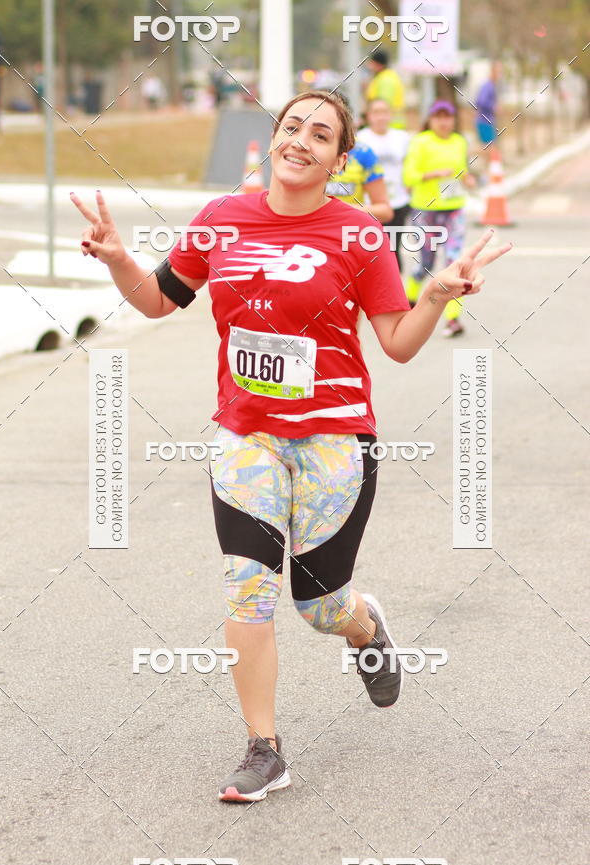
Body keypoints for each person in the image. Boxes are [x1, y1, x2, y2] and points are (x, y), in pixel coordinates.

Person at [71, 90, 511, 803]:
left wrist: (434, 296)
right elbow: (159, 301)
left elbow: (396, 345)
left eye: (321, 134)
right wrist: (120, 258)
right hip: (245, 434)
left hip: (336, 439)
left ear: (341, 159)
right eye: (291, 127)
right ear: (274, 138)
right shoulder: (220, 222)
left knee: (318, 606)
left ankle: (366, 629)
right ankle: (264, 748)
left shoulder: (359, 235)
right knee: (248, 589)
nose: (300, 140)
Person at [403, 99, 477, 337]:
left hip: (453, 210)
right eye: (439, 117)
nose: (444, 122)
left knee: (455, 265)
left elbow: (461, 170)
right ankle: (409, 302)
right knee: (425, 265)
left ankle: (453, 319)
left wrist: (468, 179)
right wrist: (432, 175)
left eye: (448, 117)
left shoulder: (458, 141)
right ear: (431, 119)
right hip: (426, 211)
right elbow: (409, 176)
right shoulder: (420, 141)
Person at [358, 98, 411, 271]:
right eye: (376, 112)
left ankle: (396, 289)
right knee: (373, 249)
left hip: (398, 202)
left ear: (390, 115)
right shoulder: (361, 139)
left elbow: (410, 164)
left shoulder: (402, 138)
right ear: (369, 116)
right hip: (370, 205)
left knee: (393, 248)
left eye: (384, 112)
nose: (381, 117)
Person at [365, 49, 406, 130]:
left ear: (378, 64)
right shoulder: (385, 77)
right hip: (388, 125)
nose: (369, 65)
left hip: (388, 126)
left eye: (371, 62)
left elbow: (382, 105)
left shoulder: (386, 80)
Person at [475, 62, 501, 159]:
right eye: (498, 72)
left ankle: (489, 171)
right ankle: (467, 152)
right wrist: (493, 107)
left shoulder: (491, 86)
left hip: (487, 121)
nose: (500, 75)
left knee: (489, 148)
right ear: (493, 72)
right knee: (489, 149)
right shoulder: (488, 86)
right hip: (485, 121)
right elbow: (480, 101)